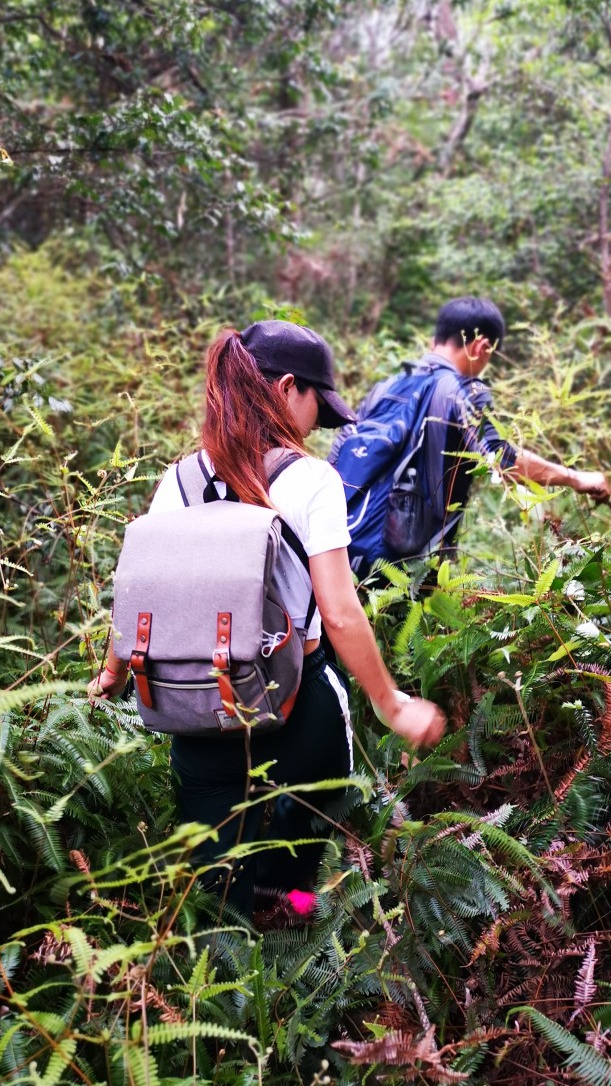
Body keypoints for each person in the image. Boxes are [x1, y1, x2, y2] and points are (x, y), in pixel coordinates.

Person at [88, 320, 445, 922]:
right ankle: (299, 948)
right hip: (297, 711)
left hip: (197, 711)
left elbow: (140, 598)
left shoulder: (175, 482)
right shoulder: (310, 480)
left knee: (218, 889)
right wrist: (390, 703)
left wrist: (112, 677)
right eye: (315, 404)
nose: (314, 424)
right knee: (296, 874)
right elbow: (338, 609)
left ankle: (224, 988)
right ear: (286, 389)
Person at [331, 296, 610, 576]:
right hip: (403, 566)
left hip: (338, 550)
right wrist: (576, 478)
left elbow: (335, 459)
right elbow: (503, 460)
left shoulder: (384, 387)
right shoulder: (463, 390)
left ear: (434, 341)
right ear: (481, 347)